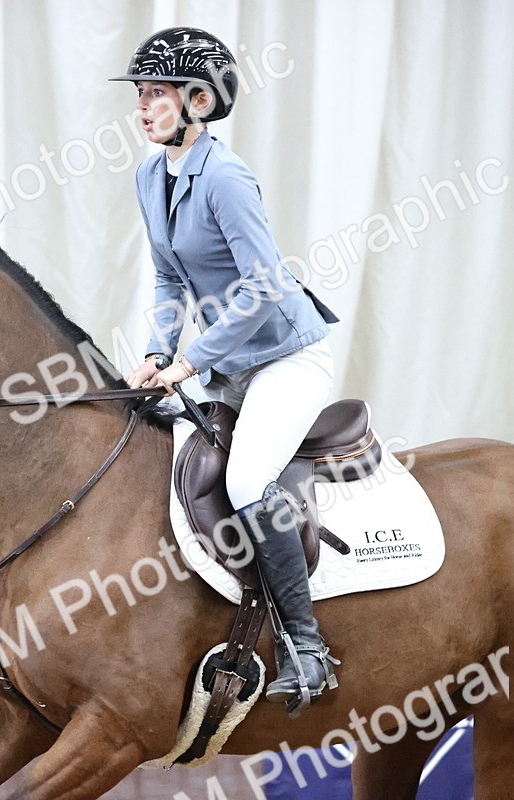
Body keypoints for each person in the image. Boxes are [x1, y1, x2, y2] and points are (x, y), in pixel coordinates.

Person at [112, 27, 342, 714]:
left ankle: (306, 644)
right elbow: (165, 281)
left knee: (245, 478)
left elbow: (267, 284)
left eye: (156, 94)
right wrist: (157, 352)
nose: (143, 106)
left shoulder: (227, 178)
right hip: (224, 365)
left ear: (200, 102)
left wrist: (191, 360)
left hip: (285, 357)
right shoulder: (149, 177)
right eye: (142, 95)